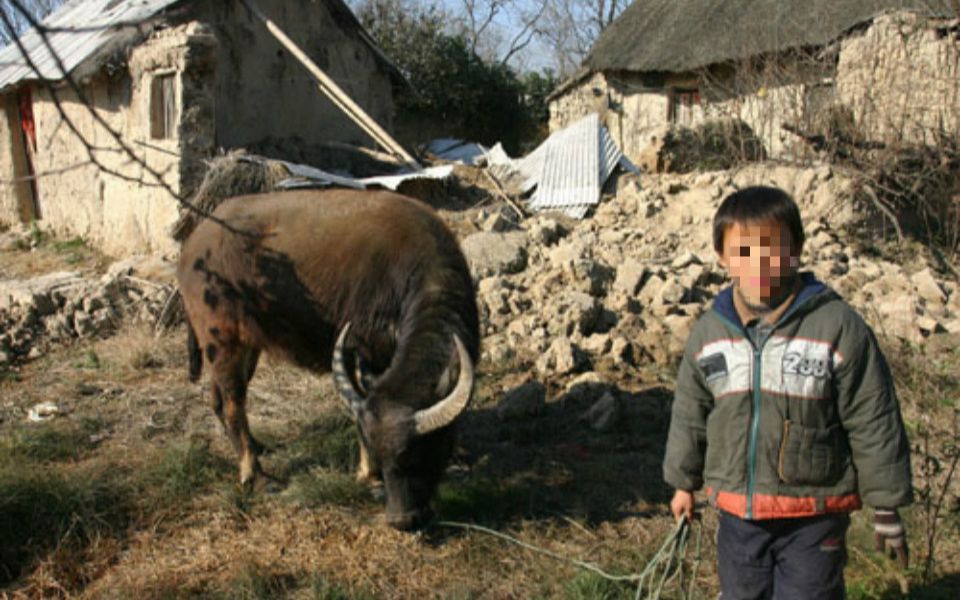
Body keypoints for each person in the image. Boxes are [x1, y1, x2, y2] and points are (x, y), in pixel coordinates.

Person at [662, 185, 913, 599]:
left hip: (814, 512)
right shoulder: (710, 333)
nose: (757, 262)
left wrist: (885, 504)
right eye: (742, 252)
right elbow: (691, 410)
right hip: (739, 513)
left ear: (796, 249)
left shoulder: (836, 326)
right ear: (723, 258)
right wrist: (682, 483)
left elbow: (872, 415)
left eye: (772, 249)